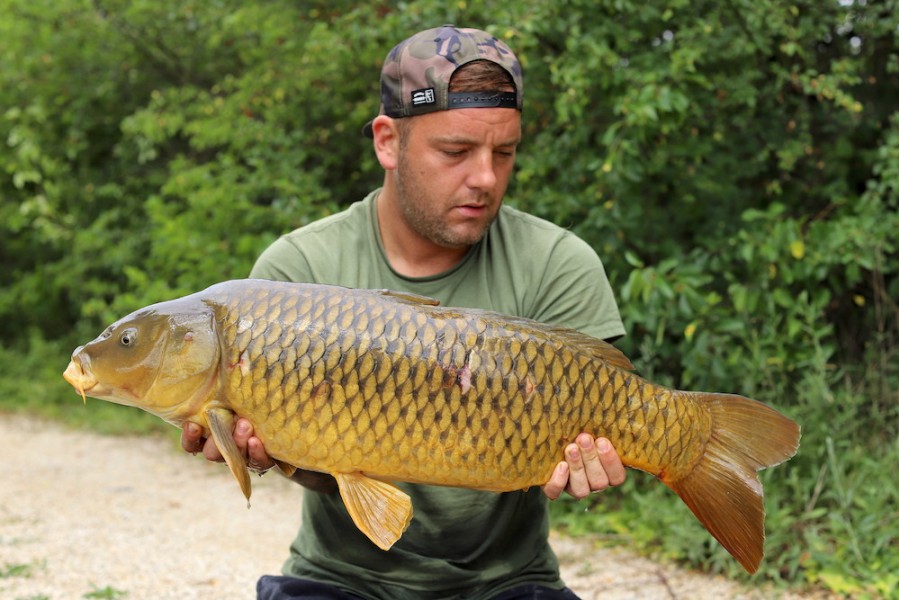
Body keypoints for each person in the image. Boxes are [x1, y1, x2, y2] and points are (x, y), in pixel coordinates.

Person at [182, 25, 627, 600]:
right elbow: (314, 461)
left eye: (505, 152)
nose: (486, 178)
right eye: (456, 151)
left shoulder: (558, 263)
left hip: (508, 582)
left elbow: (603, 421)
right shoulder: (296, 270)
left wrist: (595, 461)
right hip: (341, 578)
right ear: (388, 142)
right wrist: (274, 454)